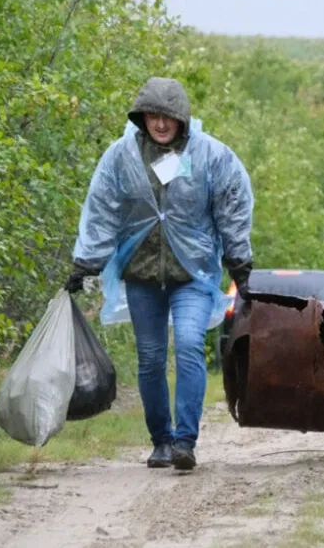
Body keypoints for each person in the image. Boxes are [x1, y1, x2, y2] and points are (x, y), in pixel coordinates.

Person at [64, 77, 254, 471]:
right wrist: (86, 264)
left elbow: (232, 205)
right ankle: (161, 441)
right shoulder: (122, 157)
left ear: (181, 119)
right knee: (150, 359)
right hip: (143, 275)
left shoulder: (210, 156)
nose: (161, 124)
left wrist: (240, 263)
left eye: (168, 116)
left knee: (187, 345)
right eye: (153, 116)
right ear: (142, 117)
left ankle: (186, 440)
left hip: (193, 275)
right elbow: (101, 210)